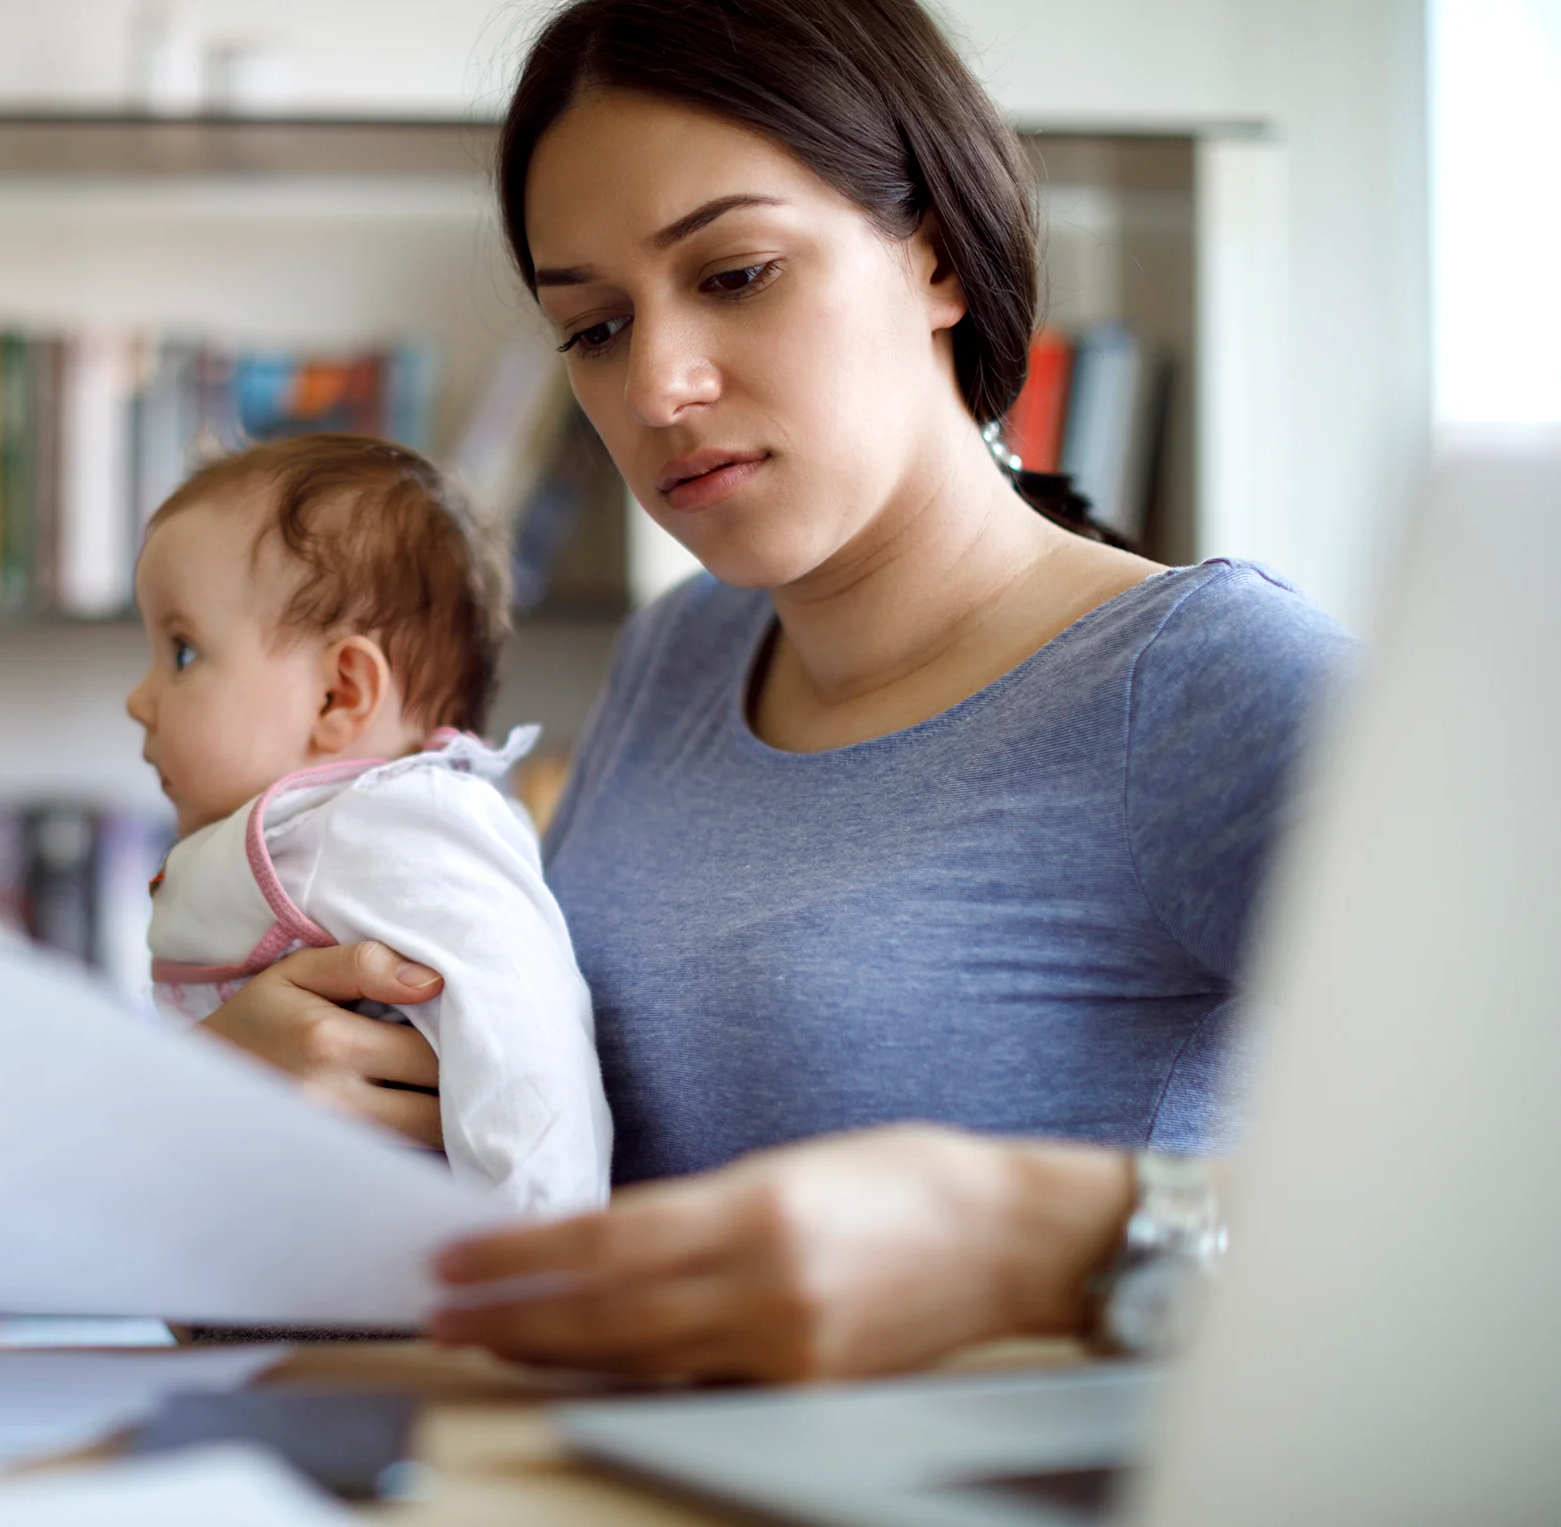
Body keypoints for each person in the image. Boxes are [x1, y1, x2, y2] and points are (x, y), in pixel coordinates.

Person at [193, 0, 1354, 1381]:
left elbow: (1503, 1202)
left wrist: (1041, 1238)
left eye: (735, 272)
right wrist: (276, 1120)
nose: (659, 386)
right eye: (594, 327)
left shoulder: (1202, 683)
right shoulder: (675, 657)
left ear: (929, 248)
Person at [129, 432, 613, 1216]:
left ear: (339, 694)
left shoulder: (399, 828)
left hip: (430, 1303)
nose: (139, 699)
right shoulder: (312, 833)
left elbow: (520, 1030)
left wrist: (539, 1259)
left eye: (181, 654)